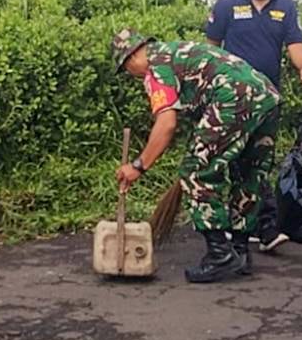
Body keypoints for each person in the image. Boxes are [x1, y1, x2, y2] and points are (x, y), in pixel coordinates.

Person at [111, 29, 280, 283]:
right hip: (266, 95)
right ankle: (240, 251)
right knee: (248, 171)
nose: (131, 74)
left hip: (232, 98)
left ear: (131, 57)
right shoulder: (177, 52)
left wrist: (138, 166)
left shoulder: (156, 70)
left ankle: (220, 254)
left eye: (126, 69)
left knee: (195, 172)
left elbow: (166, 124)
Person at [204, 0, 302, 252]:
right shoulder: (228, 5)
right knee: (237, 160)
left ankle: (253, 224)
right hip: (233, 100)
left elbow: (295, 44)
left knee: (260, 160)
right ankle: (258, 226)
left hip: (268, 100)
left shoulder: (285, 7)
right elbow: (210, 49)